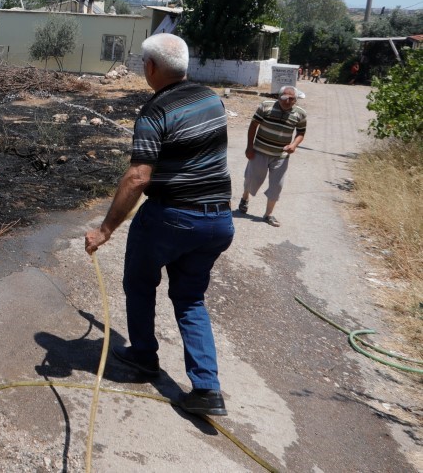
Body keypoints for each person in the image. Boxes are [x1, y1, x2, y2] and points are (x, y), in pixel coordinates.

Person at [85, 33, 234, 417]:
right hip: (218, 220)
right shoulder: (211, 98)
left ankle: (144, 356)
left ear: (150, 68)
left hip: (172, 217)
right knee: (189, 298)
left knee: (138, 282)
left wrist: (104, 230)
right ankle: (206, 388)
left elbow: (137, 177)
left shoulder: (155, 111)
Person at [237, 85, 306, 227]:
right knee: (252, 179)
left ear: (296, 100)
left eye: (291, 99)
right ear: (278, 97)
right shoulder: (265, 106)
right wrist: (250, 147)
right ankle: (245, 198)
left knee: (277, 186)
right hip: (259, 152)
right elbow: (253, 126)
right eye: (284, 98)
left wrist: (293, 145)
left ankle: (268, 214)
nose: (287, 101)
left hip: (280, 156)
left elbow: (301, 132)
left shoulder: (300, 114)